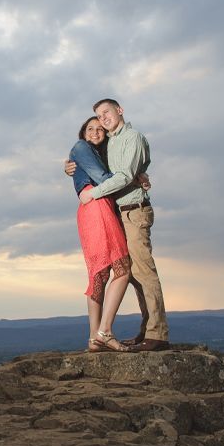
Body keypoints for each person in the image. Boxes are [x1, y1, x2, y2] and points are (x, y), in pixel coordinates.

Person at [67, 98, 169, 351]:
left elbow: (120, 176)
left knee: (141, 272)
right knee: (130, 274)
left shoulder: (131, 137)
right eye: (98, 118)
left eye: (105, 114)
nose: (102, 120)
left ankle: (156, 334)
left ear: (120, 111)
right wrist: (73, 167)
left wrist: (132, 180)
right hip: (114, 212)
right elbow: (107, 172)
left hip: (132, 211)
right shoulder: (105, 144)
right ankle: (139, 331)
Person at [70, 116, 132, 352]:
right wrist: (132, 180)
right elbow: (103, 179)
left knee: (99, 275)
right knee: (122, 268)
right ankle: (105, 331)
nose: (96, 132)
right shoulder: (81, 147)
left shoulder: (94, 153)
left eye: (100, 129)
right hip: (96, 205)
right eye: (90, 128)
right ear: (83, 132)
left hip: (90, 209)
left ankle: (94, 338)